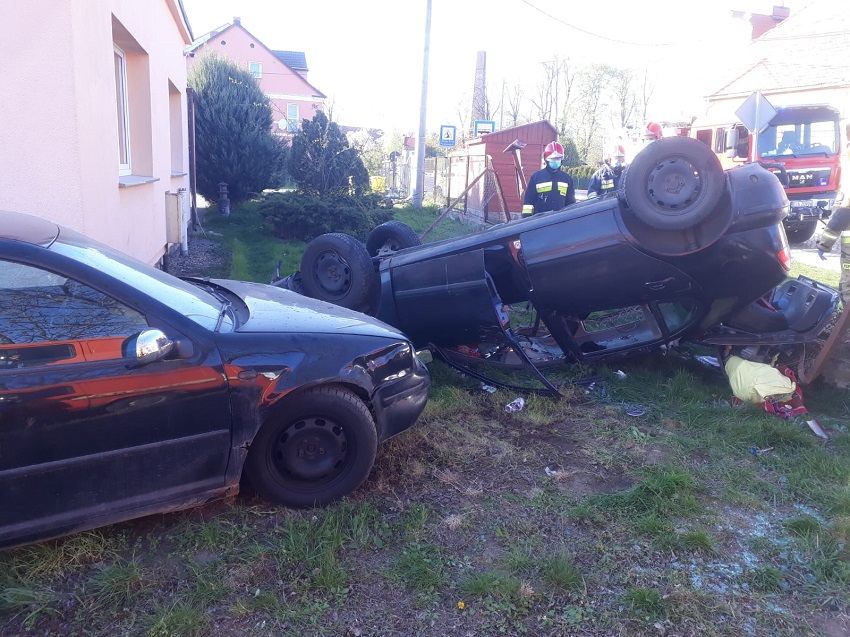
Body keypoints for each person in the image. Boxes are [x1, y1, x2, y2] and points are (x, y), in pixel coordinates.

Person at [522, 142, 576, 217]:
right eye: (552, 159)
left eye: (558, 159)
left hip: (560, 221)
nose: (555, 162)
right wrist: (526, 219)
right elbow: (528, 202)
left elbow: (571, 203)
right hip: (539, 221)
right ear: (546, 159)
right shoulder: (536, 177)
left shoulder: (567, 179)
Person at [816, 202, 850, 302]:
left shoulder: (846, 202)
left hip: (848, 257)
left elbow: (834, 227)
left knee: (847, 283)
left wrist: (823, 246)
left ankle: (847, 313)